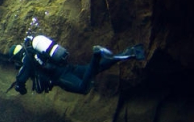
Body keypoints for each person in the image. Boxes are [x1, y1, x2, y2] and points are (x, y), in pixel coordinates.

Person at [9, 34, 145, 95]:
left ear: (16, 56)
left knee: (82, 88)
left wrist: (21, 88)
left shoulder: (26, 60)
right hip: (68, 67)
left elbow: (20, 79)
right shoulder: (33, 50)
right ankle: (130, 52)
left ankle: (96, 55)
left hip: (61, 77)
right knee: (96, 69)